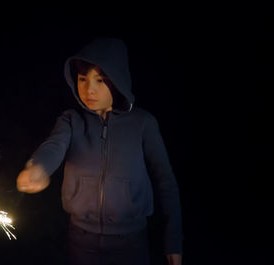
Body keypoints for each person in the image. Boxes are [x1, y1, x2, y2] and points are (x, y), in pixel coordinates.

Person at [16, 38, 184, 265]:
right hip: (81, 242)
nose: (89, 89)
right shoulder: (72, 121)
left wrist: (173, 239)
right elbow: (54, 146)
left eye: (100, 80)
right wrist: (37, 167)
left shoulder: (143, 124)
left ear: (118, 81)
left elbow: (165, 181)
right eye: (82, 79)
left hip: (131, 243)